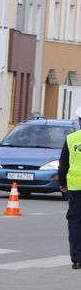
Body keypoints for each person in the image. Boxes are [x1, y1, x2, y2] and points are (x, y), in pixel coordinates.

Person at [59, 106, 81, 270]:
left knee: (75, 222)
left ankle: (77, 259)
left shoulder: (71, 139)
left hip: (75, 187)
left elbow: (63, 164)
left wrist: (62, 183)